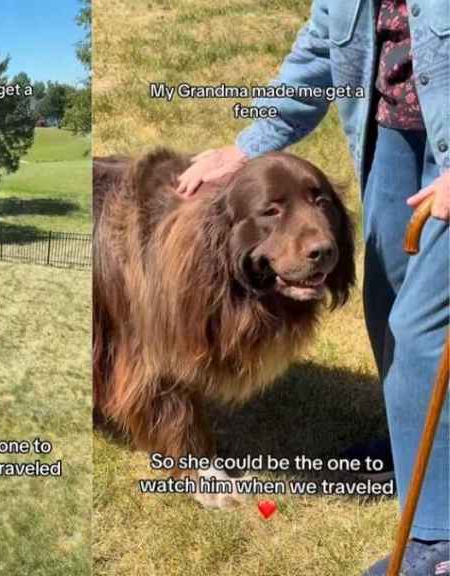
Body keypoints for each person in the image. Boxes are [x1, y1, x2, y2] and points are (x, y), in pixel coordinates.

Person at [175, 1, 448, 573]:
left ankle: (437, 538)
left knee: (423, 327)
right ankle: (417, 450)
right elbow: (317, 56)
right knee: (387, 301)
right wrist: (245, 147)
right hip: (394, 133)